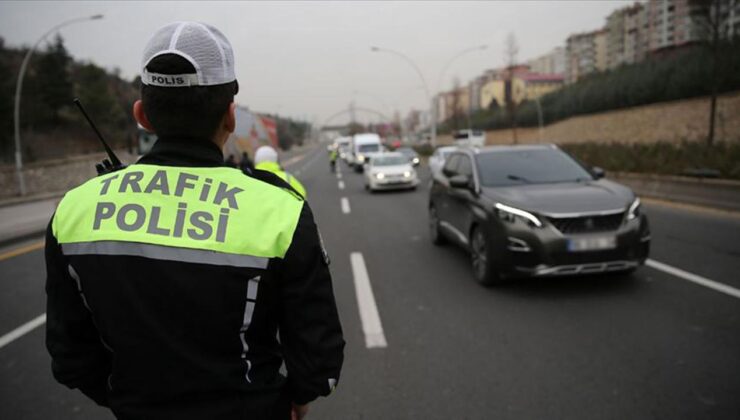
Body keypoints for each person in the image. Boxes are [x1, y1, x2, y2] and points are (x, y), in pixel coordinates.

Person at [45, 21, 344, 420]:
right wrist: (293, 399)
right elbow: (318, 361)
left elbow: (70, 357)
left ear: (141, 115)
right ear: (230, 116)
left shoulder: (74, 211)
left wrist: (129, 400)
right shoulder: (280, 211)